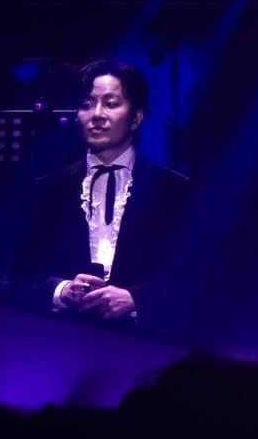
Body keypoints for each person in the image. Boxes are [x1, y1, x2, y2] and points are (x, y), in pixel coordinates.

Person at [11, 59, 189, 338]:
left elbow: (196, 276)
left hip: (146, 345)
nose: (96, 114)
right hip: (61, 340)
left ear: (136, 118)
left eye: (111, 104)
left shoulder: (173, 190)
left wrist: (135, 299)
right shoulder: (48, 190)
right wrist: (63, 290)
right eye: (87, 104)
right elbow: (16, 276)